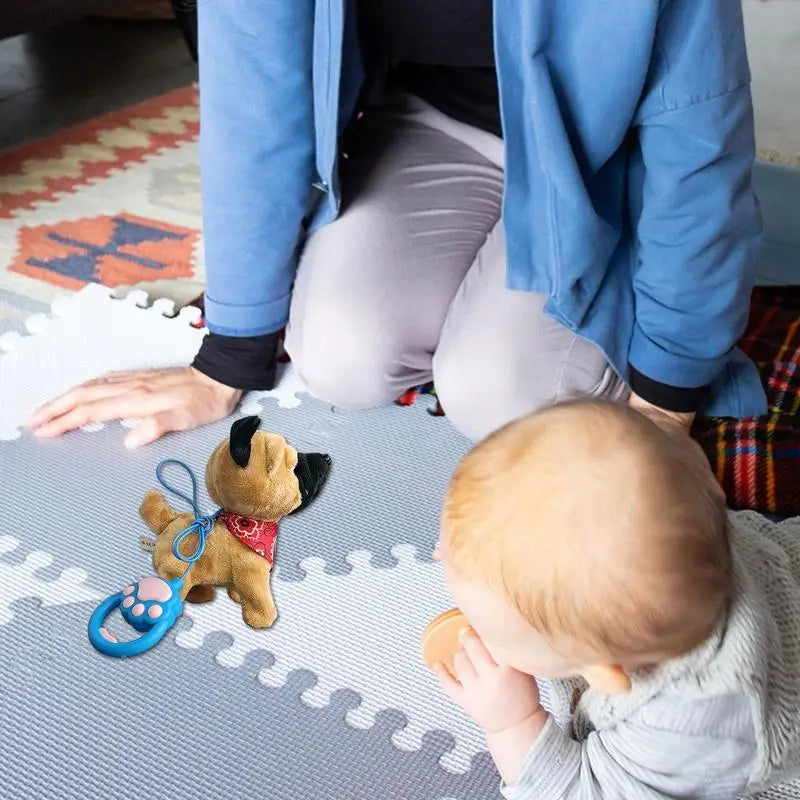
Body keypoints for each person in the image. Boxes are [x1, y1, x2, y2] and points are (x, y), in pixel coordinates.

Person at [27, 1, 766, 447]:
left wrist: (668, 396)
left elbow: (698, 140)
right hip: (436, 125)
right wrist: (231, 351)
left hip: (603, 157)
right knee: (341, 355)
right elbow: (255, 97)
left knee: (500, 389)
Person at [435, 400, 800, 798]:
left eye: (491, 632)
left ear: (605, 673)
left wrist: (513, 722)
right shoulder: (670, 516)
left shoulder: (687, 723)